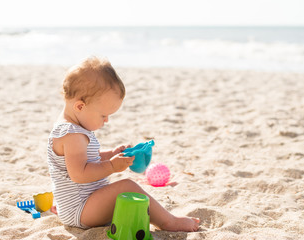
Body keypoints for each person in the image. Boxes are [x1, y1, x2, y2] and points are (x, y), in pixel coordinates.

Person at [47, 56, 199, 231]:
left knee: (125, 189)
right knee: (127, 186)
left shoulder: (73, 127)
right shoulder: (72, 135)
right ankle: (168, 222)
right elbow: (79, 174)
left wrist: (111, 153)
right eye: (103, 115)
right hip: (80, 211)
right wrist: (111, 166)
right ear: (80, 106)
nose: (106, 121)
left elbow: (87, 159)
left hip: (80, 206)